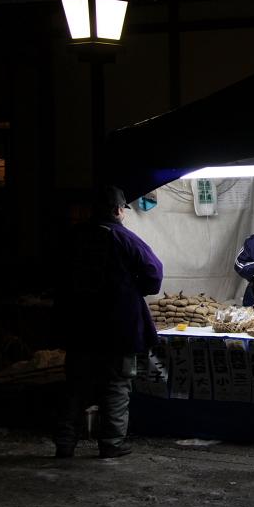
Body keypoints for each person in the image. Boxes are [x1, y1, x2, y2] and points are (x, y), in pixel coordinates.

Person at [53, 185, 163, 459]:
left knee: (75, 387)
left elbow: (56, 276)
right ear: (118, 210)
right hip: (118, 329)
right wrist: (132, 286)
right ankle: (111, 443)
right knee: (116, 386)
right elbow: (153, 274)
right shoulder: (123, 237)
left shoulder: (72, 237)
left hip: (78, 327)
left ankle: (65, 443)